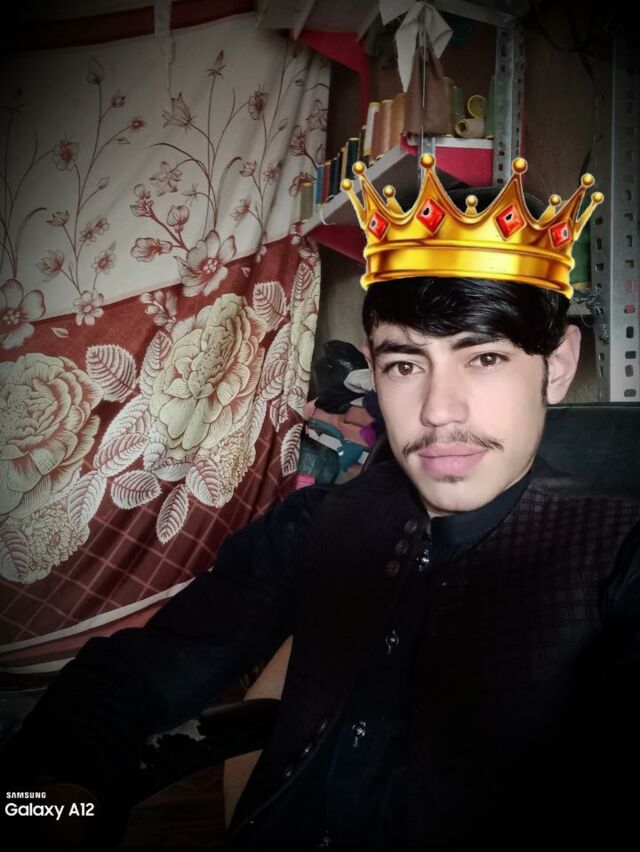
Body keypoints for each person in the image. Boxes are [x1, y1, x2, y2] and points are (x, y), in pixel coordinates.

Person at [2, 155, 640, 848]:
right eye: (405, 365)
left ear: (558, 366)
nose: (438, 410)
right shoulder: (314, 527)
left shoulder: (619, 556)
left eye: (483, 358)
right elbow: (130, 676)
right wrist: (52, 804)